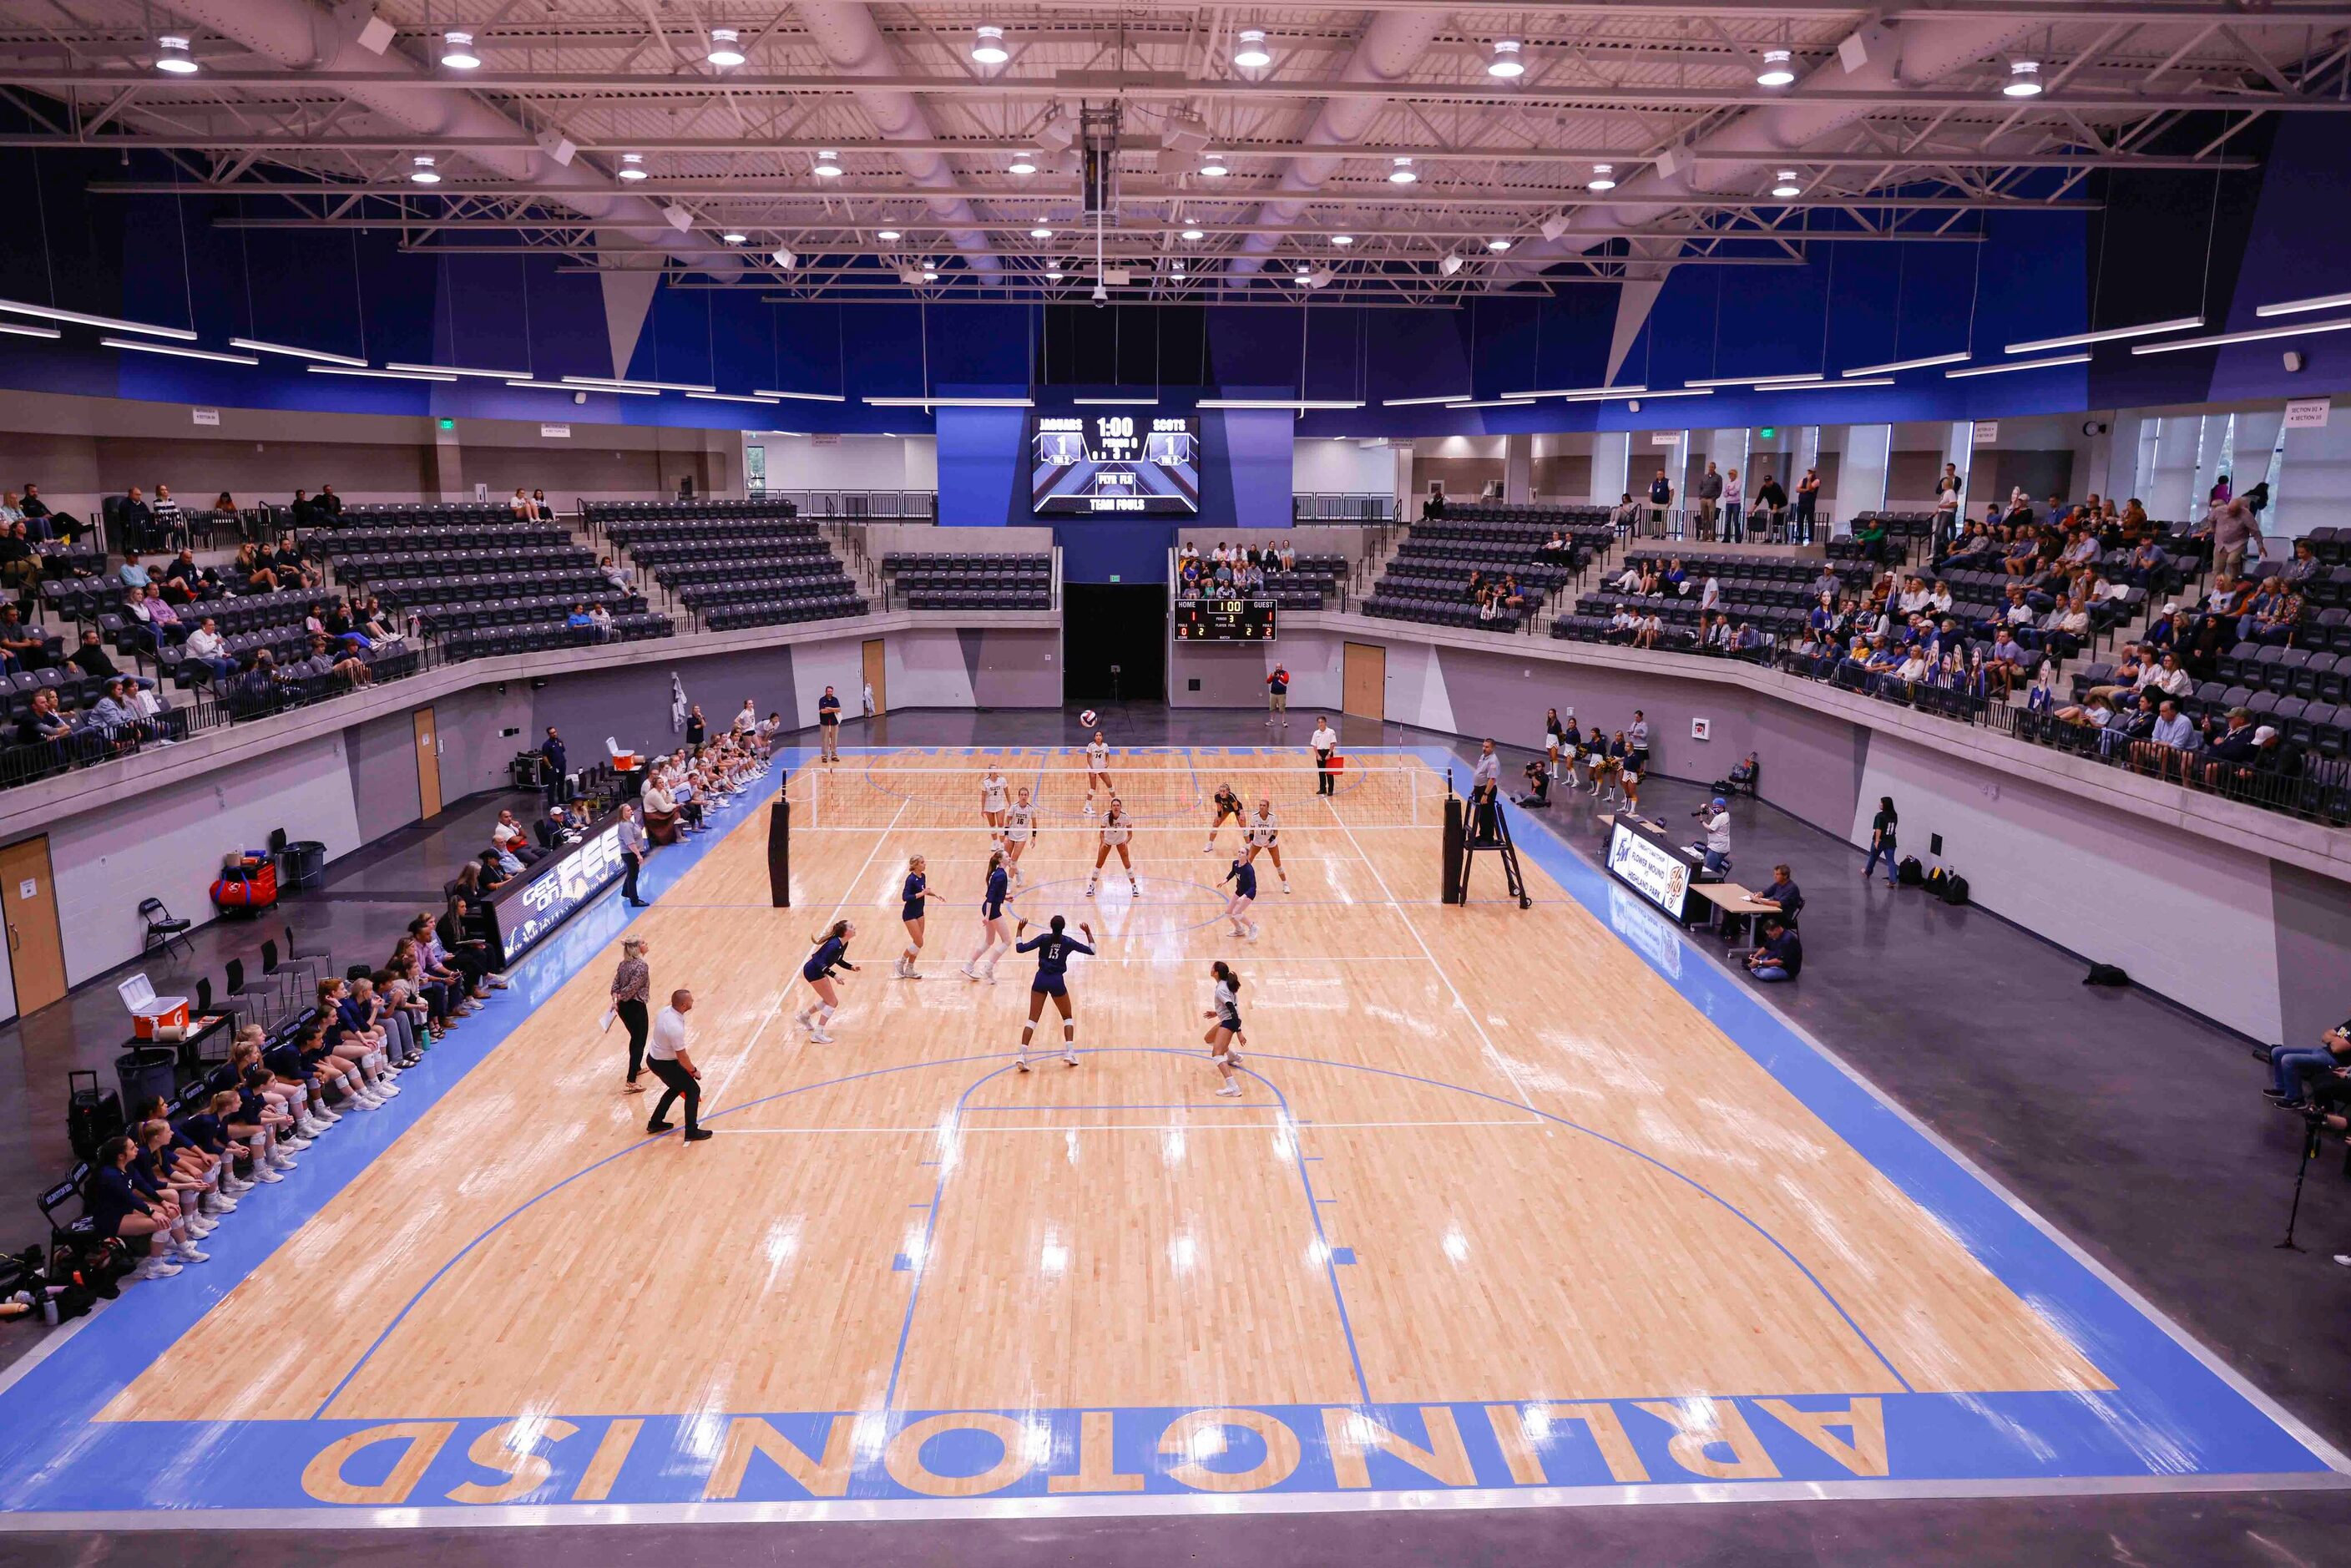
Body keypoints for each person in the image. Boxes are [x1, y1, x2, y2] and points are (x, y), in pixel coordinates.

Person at [1011, 913, 1093, 1071]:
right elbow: (1092, 950)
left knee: (1032, 1020)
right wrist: (1088, 933)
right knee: (1067, 1017)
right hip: (1056, 980)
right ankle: (1070, 1052)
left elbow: (1020, 948)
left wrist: (1019, 930)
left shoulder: (1043, 938)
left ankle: (1021, 1055)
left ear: (1050, 926)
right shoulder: (1067, 942)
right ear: (1063, 928)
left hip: (1040, 978)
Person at [644, 989, 711, 1141]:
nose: (693, 1001)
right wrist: (694, 1071)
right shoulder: (674, 1028)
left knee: (676, 1087)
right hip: (664, 1063)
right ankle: (691, 1131)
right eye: (690, 1000)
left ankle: (655, 1122)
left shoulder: (666, 1011)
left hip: (654, 1058)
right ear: (683, 1005)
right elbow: (682, 1056)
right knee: (693, 1090)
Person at [795, 920, 858, 1043]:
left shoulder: (844, 943)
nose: (854, 928)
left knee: (828, 1000)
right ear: (845, 932)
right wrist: (834, 975)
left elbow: (838, 959)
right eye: (851, 927)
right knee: (833, 1002)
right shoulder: (833, 945)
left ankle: (804, 1016)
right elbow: (819, 961)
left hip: (817, 970)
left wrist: (851, 967)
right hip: (813, 970)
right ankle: (817, 1034)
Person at [962, 848, 1014, 982]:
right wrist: (987, 917)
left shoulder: (998, 873)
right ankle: (988, 968)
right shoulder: (1001, 876)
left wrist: (1005, 898)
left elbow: (995, 894)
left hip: (990, 909)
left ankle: (969, 965)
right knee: (1007, 941)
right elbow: (990, 897)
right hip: (992, 911)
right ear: (1000, 860)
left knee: (989, 941)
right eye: (1007, 857)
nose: (1009, 858)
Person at [1202, 959, 1247, 1097]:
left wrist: (1239, 1032)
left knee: (1217, 1054)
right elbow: (1229, 1006)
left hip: (1231, 1021)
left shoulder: (1221, 989)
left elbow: (1232, 1009)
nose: (1210, 969)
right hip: (1229, 1019)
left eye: (1212, 968)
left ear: (1216, 973)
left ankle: (1233, 1088)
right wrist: (1217, 1012)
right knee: (1209, 1038)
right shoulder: (1224, 985)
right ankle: (1233, 1056)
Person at [1086, 795, 1138, 898]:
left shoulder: (1125, 817)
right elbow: (1101, 833)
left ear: (1120, 807)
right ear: (1111, 807)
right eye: (1114, 805)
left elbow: (1130, 835)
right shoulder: (1106, 817)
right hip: (1107, 841)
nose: (1116, 807)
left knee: (1127, 864)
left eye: (1118, 805)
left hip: (1120, 841)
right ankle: (1091, 886)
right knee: (1099, 863)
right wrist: (1103, 841)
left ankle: (1134, 887)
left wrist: (1126, 842)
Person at [1243, 797, 1290, 892]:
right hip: (1257, 841)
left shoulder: (1273, 817)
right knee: (1248, 862)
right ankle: (1244, 884)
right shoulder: (1254, 816)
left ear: (1268, 807)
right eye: (1260, 805)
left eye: (1264, 805)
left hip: (1271, 842)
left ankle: (1285, 884)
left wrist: (1269, 841)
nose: (1262, 807)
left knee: (1277, 863)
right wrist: (1251, 840)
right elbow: (1251, 830)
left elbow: (1275, 832)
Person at [896, 856, 931, 980]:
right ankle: (900, 962)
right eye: (922, 862)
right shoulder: (910, 879)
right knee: (919, 941)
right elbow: (905, 897)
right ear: (915, 865)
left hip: (920, 912)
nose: (924, 864)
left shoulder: (923, 876)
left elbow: (923, 890)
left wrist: (935, 895)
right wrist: (922, 894)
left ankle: (910, 969)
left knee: (918, 943)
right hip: (910, 914)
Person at [1686, 796, 1732, 875]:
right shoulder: (1726, 814)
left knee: (1707, 869)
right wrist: (1706, 807)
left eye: (1716, 806)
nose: (1714, 808)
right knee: (1716, 868)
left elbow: (1710, 829)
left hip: (1716, 849)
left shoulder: (1719, 818)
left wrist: (1701, 821)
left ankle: (1706, 884)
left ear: (1721, 807)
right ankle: (1718, 882)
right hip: (1724, 847)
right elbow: (1713, 812)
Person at [1747, 918, 1802, 983]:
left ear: (1776, 930)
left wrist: (1760, 962)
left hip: (1786, 969)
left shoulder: (1787, 941)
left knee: (1765, 974)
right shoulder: (1774, 936)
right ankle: (1757, 966)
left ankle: (1756, 968)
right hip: (1774, 958)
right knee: (1760, 960)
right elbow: (1766, 947)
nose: (1769, 936)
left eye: (1770, 934)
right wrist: (1755, 956)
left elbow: (1779, 962)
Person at [1000, 786, 1035, 885]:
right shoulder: (1014, 807)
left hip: (1022, 836)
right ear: (1019, 796)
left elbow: (1035, 825)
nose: (1023, 797)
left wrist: (1033, 838)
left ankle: (1009, 883)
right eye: (1022, 795)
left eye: (1025, 795)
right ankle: (1019, 872)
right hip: (1011, 833)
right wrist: (1006, 835)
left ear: (1028, 796)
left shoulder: (1031, 810)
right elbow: (1007, 821)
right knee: (1007, 858)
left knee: (1014, 860)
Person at [618, 803, 650, 907]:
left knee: (631, 873)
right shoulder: (625, 826)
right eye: (628, 810)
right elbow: (630, 843)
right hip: (630, 854)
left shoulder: (629, 822)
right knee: (633, 876)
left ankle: (626, 892)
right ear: (622, 813)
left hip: (633, 853)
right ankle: (634, 901)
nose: (631, 811)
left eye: (631, 809)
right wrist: (638, 855)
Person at [1864, 795, 1898, 885]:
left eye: (1881, 803)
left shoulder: (1880, 816)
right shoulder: (1894, 815)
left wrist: (1877, 841)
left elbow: (1878, 829)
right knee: (1891, 861)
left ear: (1885, 805)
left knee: (1873, 856)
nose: (1880, 804)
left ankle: (1868, 872)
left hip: (1881, 841)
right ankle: (1893, 880)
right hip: (1891, 841)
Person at [1206, 781, 1246, 853]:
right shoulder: (1217, 796)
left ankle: (1248, 845)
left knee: (1243, 824)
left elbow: (1236, 807)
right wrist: (1219, 816)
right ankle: (1210, 844)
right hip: (1226, 809)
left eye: (1224, 791)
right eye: (1220, 791)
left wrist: (1240, 815)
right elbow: (1219, 807)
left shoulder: (1231, 796)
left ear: (1227, 792)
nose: (1222, 793)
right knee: (1215, 824)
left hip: (1236, 808)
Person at [1082, 729, 1112, 817]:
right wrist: (1092, 770)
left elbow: (1107, 755)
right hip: (1092, 769)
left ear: (1102, 737)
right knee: (1093, 788)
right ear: (1095, 737)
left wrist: (1107, 762)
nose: (1098, 737)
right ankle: (1087, 807)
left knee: (1110, 785)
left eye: (1100, 735)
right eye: (1097, 735)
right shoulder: (1091, 745)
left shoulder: (1105, 746)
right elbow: (1088, 758)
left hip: (1102, 768)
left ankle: (1116, 804)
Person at [539, 726, 569, 807]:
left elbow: (562, 750)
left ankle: (561, 800)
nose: (554, 734)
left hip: (562, 765)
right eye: (552, 733)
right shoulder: (547, 744)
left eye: (555, 732)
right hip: (553, 767)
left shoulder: (559, 741)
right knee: (552, 786)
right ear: (549, 734)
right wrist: (550, 767)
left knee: (561, 784)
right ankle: (551, 803)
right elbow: (544, 757)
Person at [1310, 715, 1338, 797]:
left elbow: (1333, 743)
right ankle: (1322, 789)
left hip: (1328, 752)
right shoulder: (1316, 733)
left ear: (1325, 723)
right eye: (1319, 722)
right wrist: (1317, 755)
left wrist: (1329, 754)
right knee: (1321, 772)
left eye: (1322, 722)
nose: (1320, 724)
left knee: (1329, 773)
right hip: (1320, 753)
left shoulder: (1331, 732)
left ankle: (1330, 790)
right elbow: (1314, 746)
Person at [1695, 461, 1722, 540]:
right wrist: (1700, 495)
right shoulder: (1704, 477)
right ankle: (1705, 535)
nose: (1711, 468)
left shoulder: (1718, 477)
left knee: (1711, 518)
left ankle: (1712, 536)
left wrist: (1715, 497)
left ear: (1715, 468)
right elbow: (1700, 487)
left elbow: (1719, 489)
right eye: (1710, 467)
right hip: (1703, 498)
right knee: (1704, 518)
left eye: (1712, 467)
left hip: (1711, 499)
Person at [979, 764, 1009, 832]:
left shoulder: (1002, 780)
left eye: (996, 770)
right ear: (990, 772)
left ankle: (1002, 842)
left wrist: (1010, 804)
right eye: (993, 770)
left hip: (999, 804)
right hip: (989, 805)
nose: (994, 771)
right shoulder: (985, 782)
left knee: (1001, 824)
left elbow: (1007, 793)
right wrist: (983, 809)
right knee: (992, 825)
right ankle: (995, 842)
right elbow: (983, 796)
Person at [817, 685, 842, 763]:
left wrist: (830, 709)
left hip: (834, 723)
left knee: (834, 739)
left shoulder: (835, 700)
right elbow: (822, 711)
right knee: (825, 740)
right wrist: (833, 710)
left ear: (833, 692)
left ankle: (834, 755)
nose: (830, 693)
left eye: (831, 691)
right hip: (825, 723)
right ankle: (824, 756)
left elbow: (839, 710)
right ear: (826, 692)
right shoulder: (822, 700)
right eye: (828, 691)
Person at [1266, 663, 1290, 730]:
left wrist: (1279, 677)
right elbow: (1268, 681)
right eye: (1276, 667)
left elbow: (1286, 681)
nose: (1277, 668)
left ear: (1281, 667)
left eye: (1279, 667)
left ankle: (1283, 721)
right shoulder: (1273, 673)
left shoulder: (1285, 673)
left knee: (1282, 708)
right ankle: (1271, 721)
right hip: (1273, 693)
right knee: (1272, 707)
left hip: (1281, 694)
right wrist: (1271, 677)